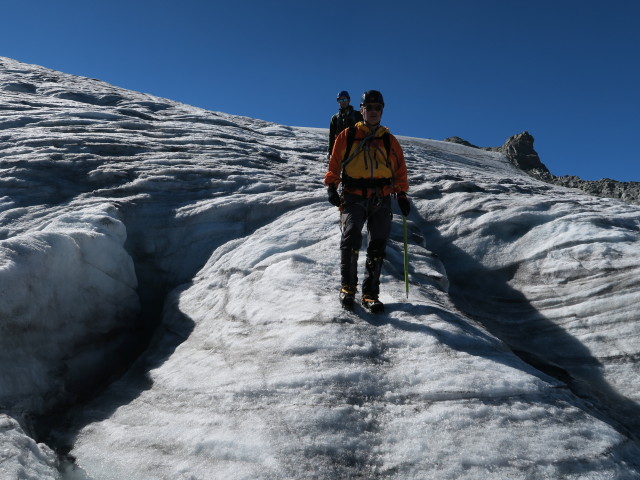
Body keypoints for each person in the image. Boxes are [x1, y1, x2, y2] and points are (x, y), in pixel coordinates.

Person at [324, 90, 410, 312]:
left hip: (381, 197)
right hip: (353, 194)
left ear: (382, 111)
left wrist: (401, 194)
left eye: (377, 108)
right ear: (361, 110)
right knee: (351, 237)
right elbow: (334, 163)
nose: (373, 112)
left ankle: (370, 294)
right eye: (369, 108)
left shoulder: (389, 141)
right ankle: (348, 289)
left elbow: (399, 170)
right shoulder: (347, 136)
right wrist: (332, 186)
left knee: (378, 244)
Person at [328, 91, 363, 157]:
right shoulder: (335, 118)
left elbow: (364, 130)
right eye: (340, 100)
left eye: (345, 99)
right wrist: (330, 151)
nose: (343, 101)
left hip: (356, 148)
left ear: (349, 100)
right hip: (340, 148)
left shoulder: (357, 115)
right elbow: (332, 136)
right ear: (338, 102)